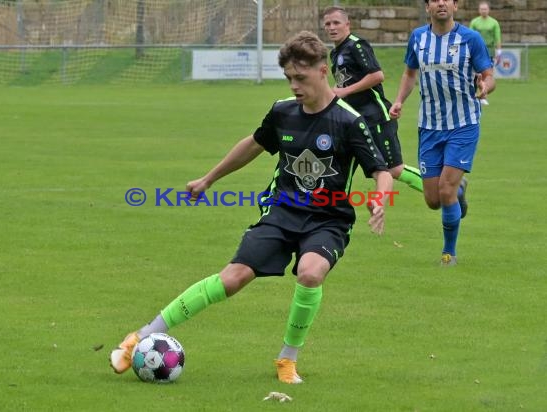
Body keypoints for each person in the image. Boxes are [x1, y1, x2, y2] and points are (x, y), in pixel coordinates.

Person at [110, 31, 393, 384]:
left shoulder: (349, 121)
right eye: (289, 78)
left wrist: (380, 199)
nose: (294, 86)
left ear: (323, 71)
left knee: (310, 272)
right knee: (232, 279)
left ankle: (287, 359)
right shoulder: (283, 113)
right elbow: (253, 145)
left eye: (300, 78)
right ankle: (139, 336)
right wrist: (208, 179)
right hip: (281, 212)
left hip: (328, 219)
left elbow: (381, 170)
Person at [389, 0, 495, 266]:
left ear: (455, 6)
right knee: (433, 200)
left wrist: (485, 88)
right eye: (435, 0)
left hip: (464, 123)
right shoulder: (418, 38)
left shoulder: (471, 39)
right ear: (428, 7)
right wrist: (399, 100)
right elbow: (409, 73)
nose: (441, 3)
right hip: (429, 126)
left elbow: (488, 75)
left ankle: (449, 253)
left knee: (445, 190)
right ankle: (459, 191)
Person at [322, 6, 423, 193]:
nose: (331, 27)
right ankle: (334, 211)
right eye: (327, 24)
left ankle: (445, 190)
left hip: (376, 117)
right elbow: (343, 86)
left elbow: (377, 76)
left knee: (393, 169)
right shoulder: (335, 53)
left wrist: (345, 91)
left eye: (336, 22)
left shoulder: (356, 45)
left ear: (347, 24)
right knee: (341, 167)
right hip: (353, 121)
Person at [469, 1, 501, 105]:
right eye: (482, 9)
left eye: (485, 9)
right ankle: (473, 94)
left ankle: (483, 94)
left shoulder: (494, 22)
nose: (483, 11)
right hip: (475, 52)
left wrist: (499, 52)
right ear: (479, 10)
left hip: (489, 52)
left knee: (486, 74)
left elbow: (497, 38)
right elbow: (470, 37)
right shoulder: (474, 22)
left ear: (488, 10)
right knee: (475, 74)